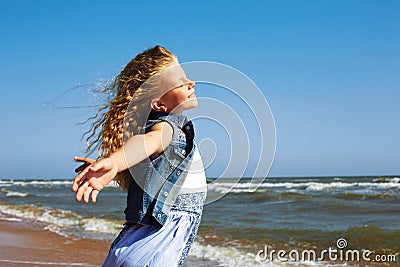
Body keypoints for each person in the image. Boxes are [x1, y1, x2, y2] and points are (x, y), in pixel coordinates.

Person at [72, 45, 207, 267]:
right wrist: (114, 162)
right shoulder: (168, 127)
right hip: (153, 249)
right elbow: (149, 142)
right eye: (180, 82)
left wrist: (114, 163)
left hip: (135, 244)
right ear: (159, 104)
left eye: (187, 77)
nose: (191, 83)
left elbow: (141, 151)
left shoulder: (159, 130)